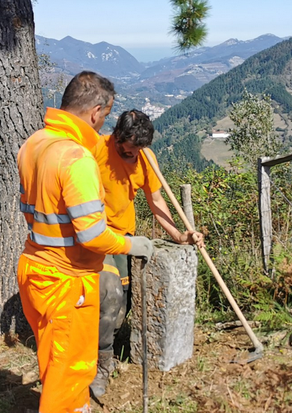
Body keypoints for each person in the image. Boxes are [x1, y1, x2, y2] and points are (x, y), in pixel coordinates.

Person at [17, 72, 154, 413]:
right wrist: (130, 245)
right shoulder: (76, 159)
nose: (102, 125)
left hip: (34, 269)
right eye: (105, 117)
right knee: (70, 377)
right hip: (68, 282)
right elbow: (92, 235)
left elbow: (31, 211)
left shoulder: (34, 143)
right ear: (95, 112)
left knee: (54, 365)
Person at [89, 109, 205, 396]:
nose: (132, 156)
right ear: (117, 137)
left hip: (125, 237)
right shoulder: (95, 152)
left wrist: (179, 235)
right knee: (110, 295)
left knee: (123, 303)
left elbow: (155, 200)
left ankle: (106, 350)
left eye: (137, 151)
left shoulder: (146, 159)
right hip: (96, 236)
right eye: (127, 150)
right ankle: (100, 364)